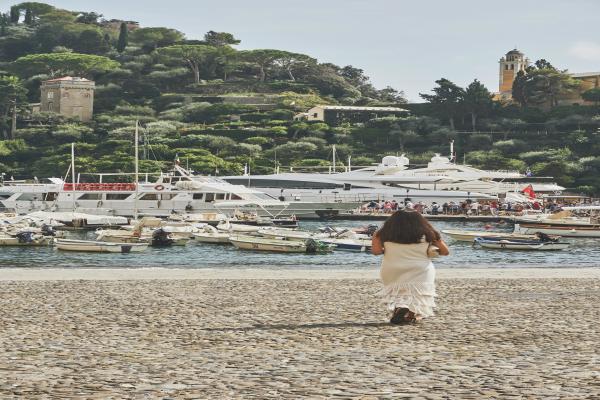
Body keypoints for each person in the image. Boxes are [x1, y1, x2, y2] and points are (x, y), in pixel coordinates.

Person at [371, 210, 450, 325]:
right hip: (421, 268)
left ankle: (401, 308)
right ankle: (410, 314)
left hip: (392, 268)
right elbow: (445, 252)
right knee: (417, 293)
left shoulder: (382, 234)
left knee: (399, 291)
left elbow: (376, 251)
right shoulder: (428, 233)